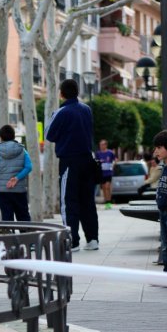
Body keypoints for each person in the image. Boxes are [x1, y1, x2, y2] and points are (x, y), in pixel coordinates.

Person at [46, 79, 99, 252]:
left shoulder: (61, 112)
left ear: (61, 93)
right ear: (77, 91)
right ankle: (92, 239)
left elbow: (49, 135)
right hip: (87, 160)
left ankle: (72, 240)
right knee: (87, 201)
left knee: (68, 201)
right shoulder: (87, 109)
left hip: (69, 161)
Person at [0, 125, 32, 222]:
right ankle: (27, 236)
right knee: (23, 217)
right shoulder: (22, 150)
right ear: (14, 136)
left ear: (1, 137)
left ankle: (9, 237)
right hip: (19, 190)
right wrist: (17, 178)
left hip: (3, 191)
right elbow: (29, 167)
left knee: (7, 219)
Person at [153, 130, 167, 272]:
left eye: (159, 148)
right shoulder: (164, 167)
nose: (155, 151)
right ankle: (166, 274)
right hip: (163, 211)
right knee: (165, 244)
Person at [95, 139, 116, 205]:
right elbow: (96, 161)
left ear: (106, 145)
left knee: (107, 186)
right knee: (104, 187)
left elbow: (115, 160)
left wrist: (113, 164)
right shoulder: (98, 153)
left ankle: (109, 201)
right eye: (100, 145)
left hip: (108, 172)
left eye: (102, 144)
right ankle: (106, 200)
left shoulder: (110, 152)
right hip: (101, 173)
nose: (101, 146)